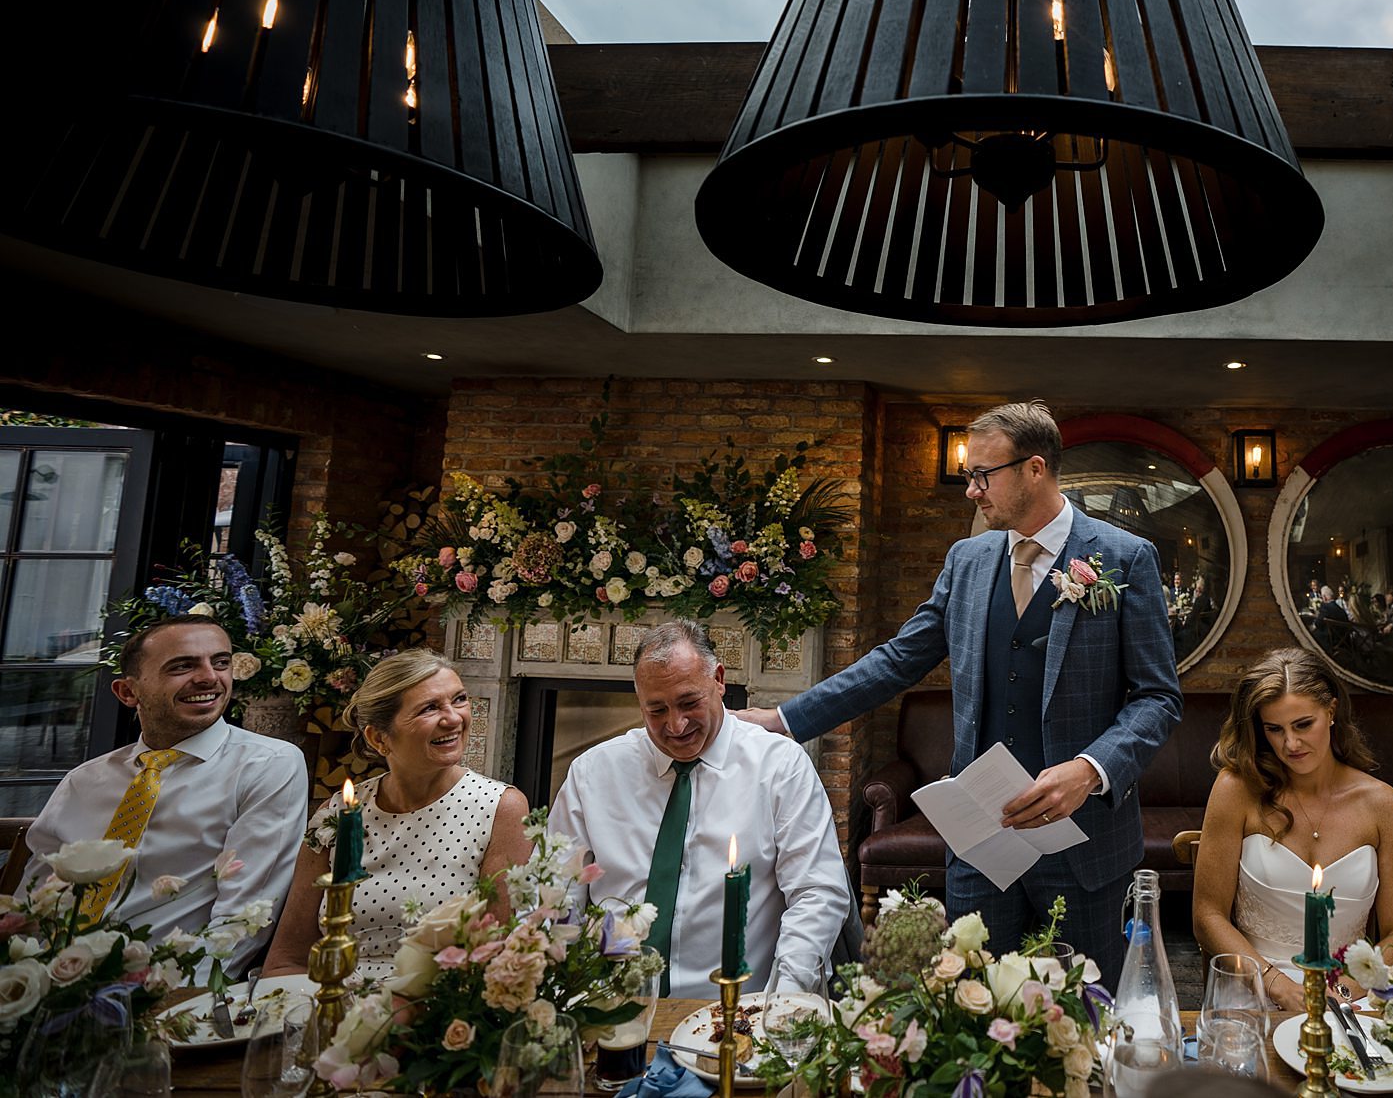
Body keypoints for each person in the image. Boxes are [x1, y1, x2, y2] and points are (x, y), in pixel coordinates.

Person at [733, 400, 1182, 973]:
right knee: (968, 1010)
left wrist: (1091, 770)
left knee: (1086, 1016)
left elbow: (1159, 698)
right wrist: (784, 720)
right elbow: (898, 659)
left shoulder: (1124, 557)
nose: (971, 490)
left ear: (1035, 469)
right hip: (979, 842)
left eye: (982, 475)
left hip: (1085, 846)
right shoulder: (967, 560)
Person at [553, 621, 850, 998]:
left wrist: (781, 1001)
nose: (675, 725)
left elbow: (817, 892)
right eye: (656, 710)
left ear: (719, 680)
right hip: (610, 1003)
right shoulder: (593, 773)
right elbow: (556, 893)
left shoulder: (779, 766)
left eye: (689, 703)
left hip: (737, 1006)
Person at [23, 616, 302, 976]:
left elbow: (248, 916)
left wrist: (171, 997)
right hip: (49, 980)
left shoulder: (268, 765)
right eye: (183, 666)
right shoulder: (85, 780)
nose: (209, 677)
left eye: (221, 662)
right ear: (128, 692)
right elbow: (33, 900)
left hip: (166, 987)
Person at [265, 650, 531, 970]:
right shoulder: (337, 814)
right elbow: (287, 958)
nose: (454, 718)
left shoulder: (501, 808)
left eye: (459, 699)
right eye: (429, 708)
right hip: (331, 1001)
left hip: (438, 1005)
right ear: (379, 738)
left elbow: (493, 958)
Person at [1193, 648, 1393, 1012]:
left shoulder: (1382, 805)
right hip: (1253, 985)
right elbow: (1207, 916)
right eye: (1274, 730)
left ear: (1330, 711)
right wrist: (1277, 986)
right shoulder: (1236, 790)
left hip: (1353, 994)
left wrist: (1344, 991)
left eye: (1302, 725)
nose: (1290, 744)